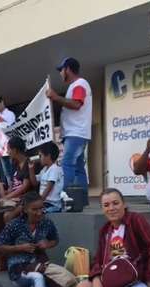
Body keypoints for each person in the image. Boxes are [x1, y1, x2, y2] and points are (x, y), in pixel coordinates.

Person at [46, 57, 92, 206]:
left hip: (76, 133)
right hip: (77, 133)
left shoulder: (79, 84)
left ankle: (62, 199)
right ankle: (82, 201)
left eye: (61, 70)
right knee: (78, 168)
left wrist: (55, 97)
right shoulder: (78, 85)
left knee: (67, 165)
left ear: (68, 69)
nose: (60, 73)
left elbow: (76, 104)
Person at [29, 142, 64, 213]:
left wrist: (39, 202)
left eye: (40, 155)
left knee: (33, 212)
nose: (39, 158)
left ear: (48, 156)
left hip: (52, 204)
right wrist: (31, 169)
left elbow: (49, 188)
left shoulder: (54, 169)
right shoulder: (44, 169)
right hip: (44, 202)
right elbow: (34, 183)